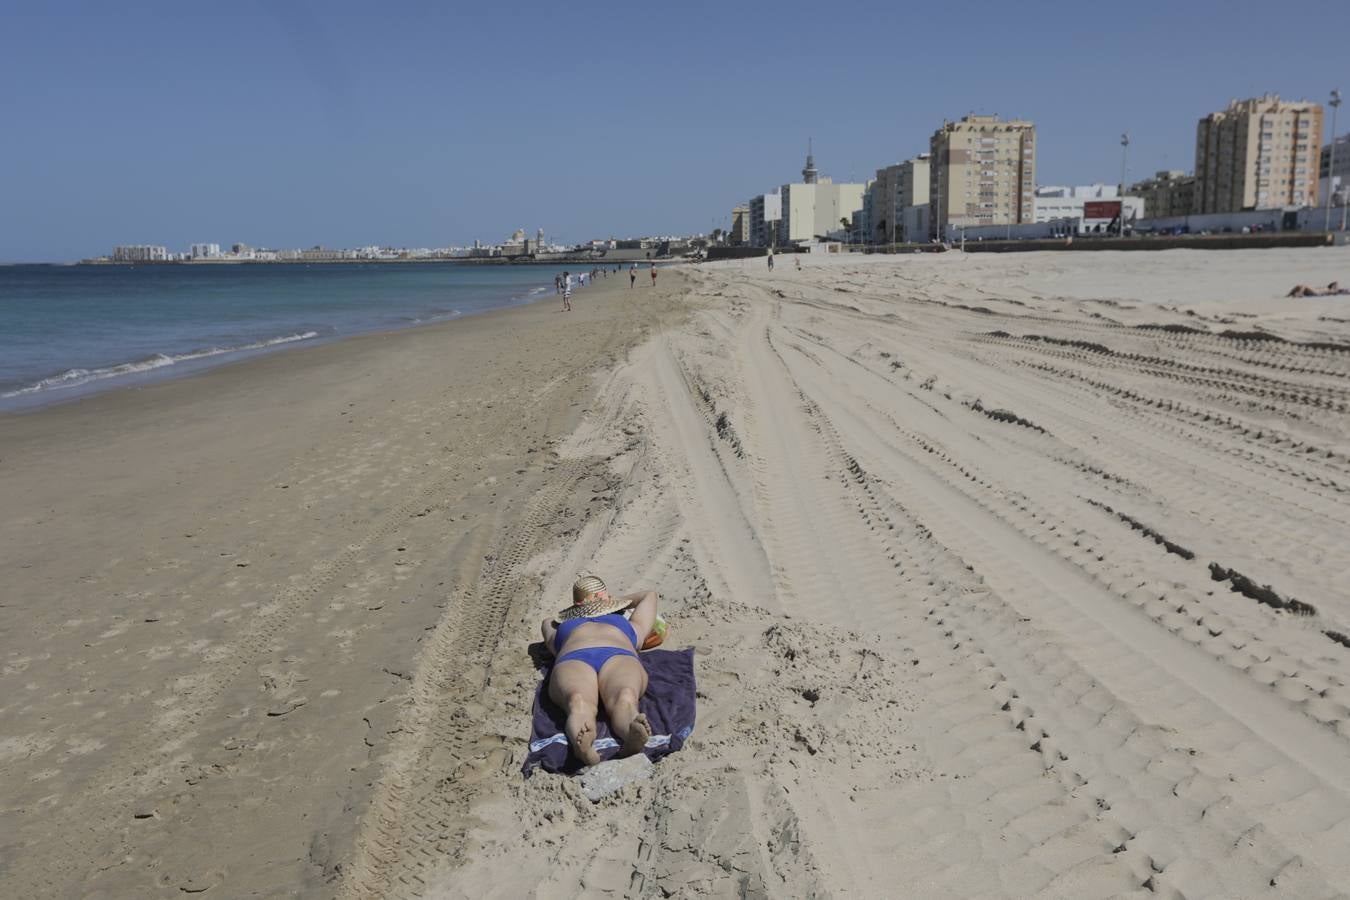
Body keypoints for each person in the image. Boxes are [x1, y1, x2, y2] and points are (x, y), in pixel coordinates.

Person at [541, 576, 658, 765]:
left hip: (574, 655)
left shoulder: (560, 626)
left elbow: (548, 622)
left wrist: (585, 606)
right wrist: (610, 601)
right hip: (618, 653)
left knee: (578, 701)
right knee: (625, 696)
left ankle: (584, 742)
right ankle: (628, 729)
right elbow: (648, 596)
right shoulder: (630, 625)